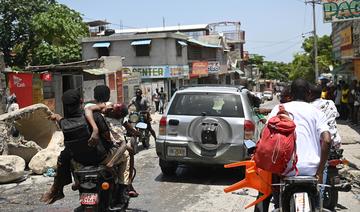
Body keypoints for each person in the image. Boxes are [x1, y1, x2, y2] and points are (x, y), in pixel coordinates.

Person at [255, 79, 331, 211]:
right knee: (318, 204)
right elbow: (327, 140)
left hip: (285, 170)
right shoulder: (317, 112)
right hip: (311, 170)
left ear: (290, 94)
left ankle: (279, 206)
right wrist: (319, 171)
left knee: (277, 202)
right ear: (309, 93)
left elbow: (264, 135)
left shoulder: (279, 109)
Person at [310, 85, 341, 149]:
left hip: (321, 143)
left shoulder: (310, 106)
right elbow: (336, 115)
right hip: (335, 140)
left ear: (310, 94)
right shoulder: (330, 103)